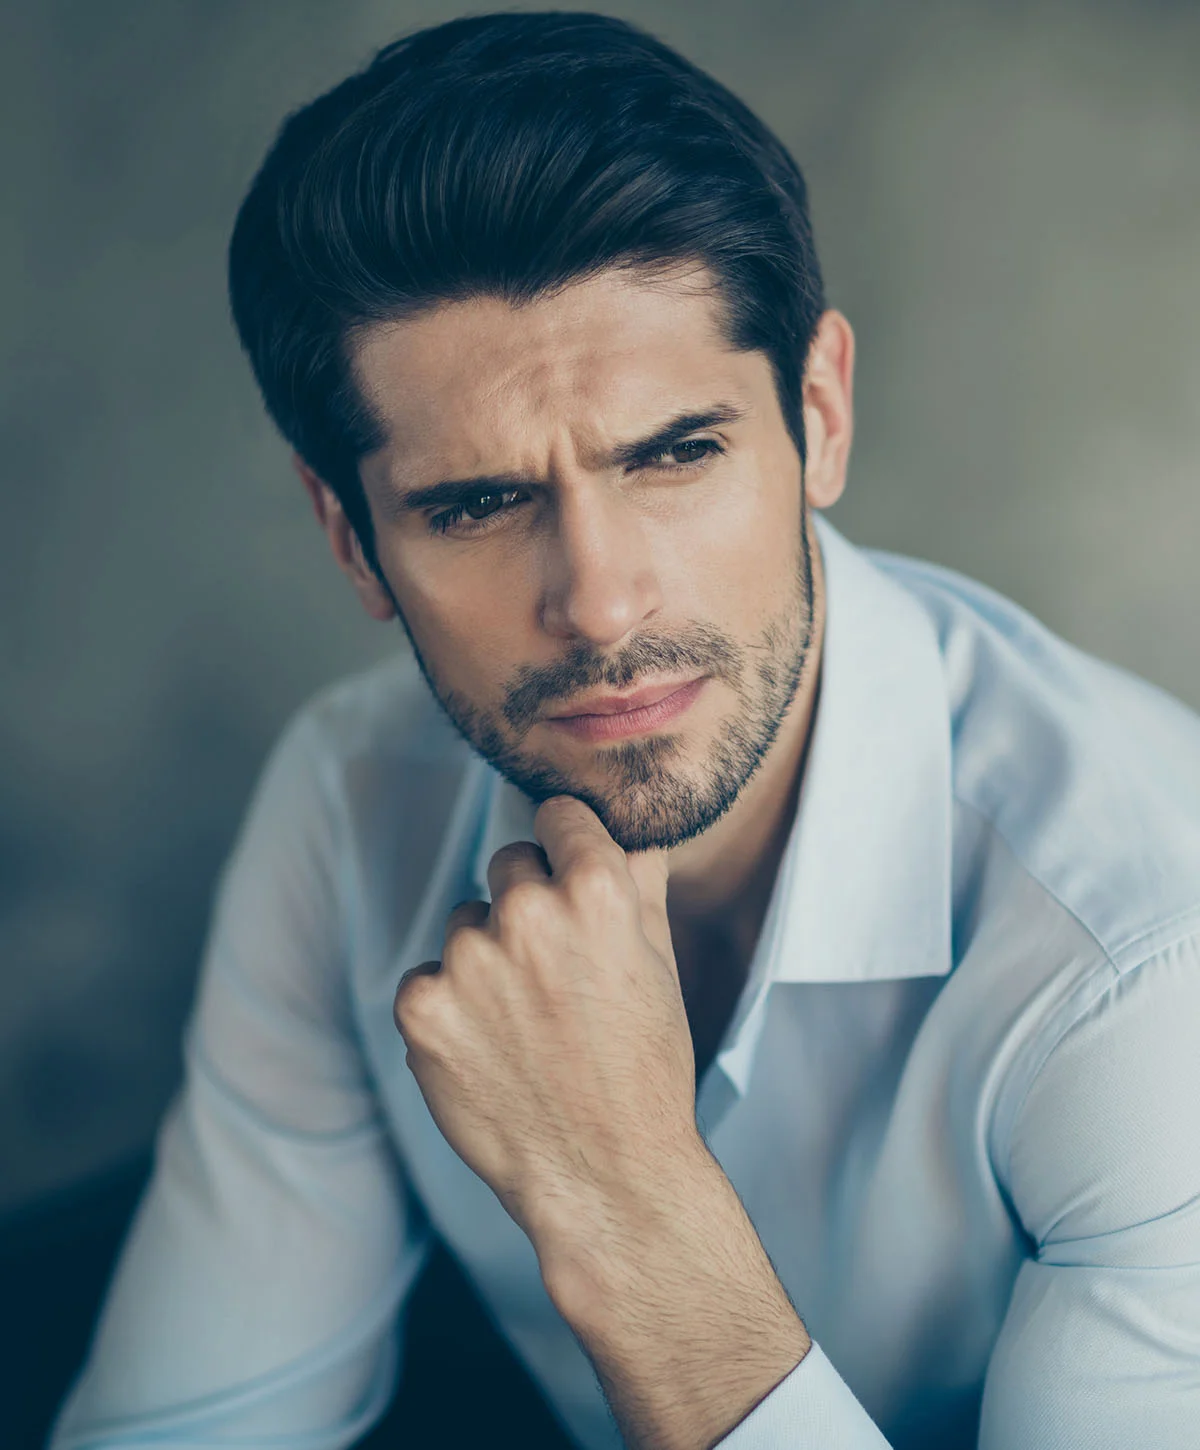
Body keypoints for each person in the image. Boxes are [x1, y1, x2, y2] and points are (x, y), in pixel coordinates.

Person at [49, 12, 1200, 1449]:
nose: (596, 602)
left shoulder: (1149, 968)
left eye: (674, 454)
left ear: (821, 414)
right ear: (349, 539)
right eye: (475, 504)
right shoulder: (351, 810)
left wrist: (626, 1199)